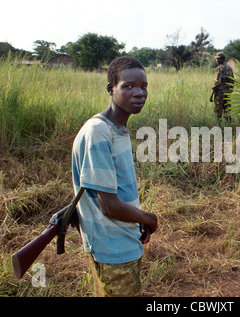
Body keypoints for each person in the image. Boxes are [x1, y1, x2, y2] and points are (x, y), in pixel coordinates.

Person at [71, 56, 158, 297]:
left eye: (143, 86)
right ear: (111, 89)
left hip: (123, 238)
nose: (139, 93)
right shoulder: (99, 132)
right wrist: (149, 218)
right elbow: (108, 206)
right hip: (111, 246)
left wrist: (136, 219)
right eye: (128, 86)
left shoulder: (117, 129)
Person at [210, 52, 234, 123]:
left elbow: (217, 82)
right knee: (227, 111)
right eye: (216, 59)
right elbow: (233, 80)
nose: (217, 60)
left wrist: (212, 94)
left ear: (223, 59)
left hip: (220, 93)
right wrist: (230, 90)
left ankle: (219, 128)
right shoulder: (229, 67)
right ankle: (229, 126)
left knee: (218, 111)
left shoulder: (219, 68)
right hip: (228, 93)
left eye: (218, 59)